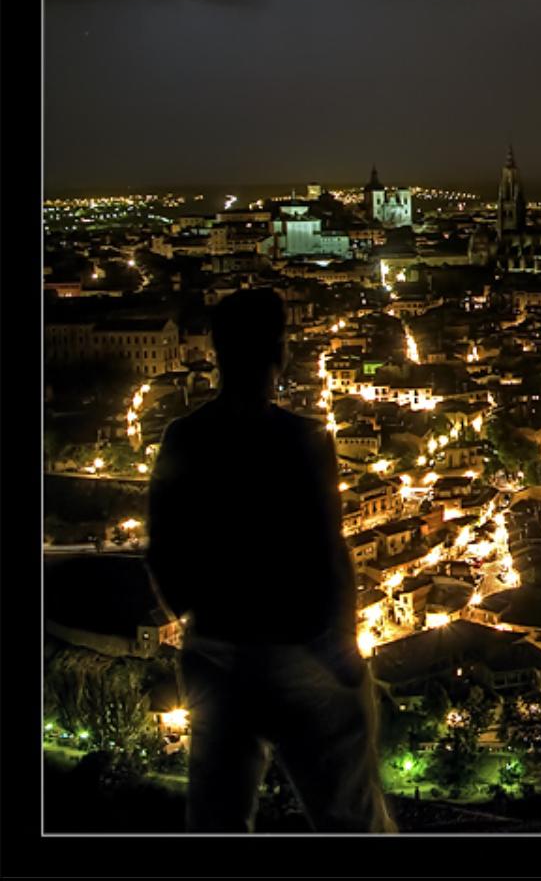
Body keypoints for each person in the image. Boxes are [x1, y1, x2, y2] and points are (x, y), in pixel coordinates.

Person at [147, 288, 395, 833]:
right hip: (301, 653)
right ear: (280, 353)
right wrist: (342, 649)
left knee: (218, 820)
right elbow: (330, 550)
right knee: (348, 816)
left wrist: (197, 620)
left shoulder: (184, 438)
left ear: (216, 353)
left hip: (216, 654)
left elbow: (161, 552)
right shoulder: (304, 439)